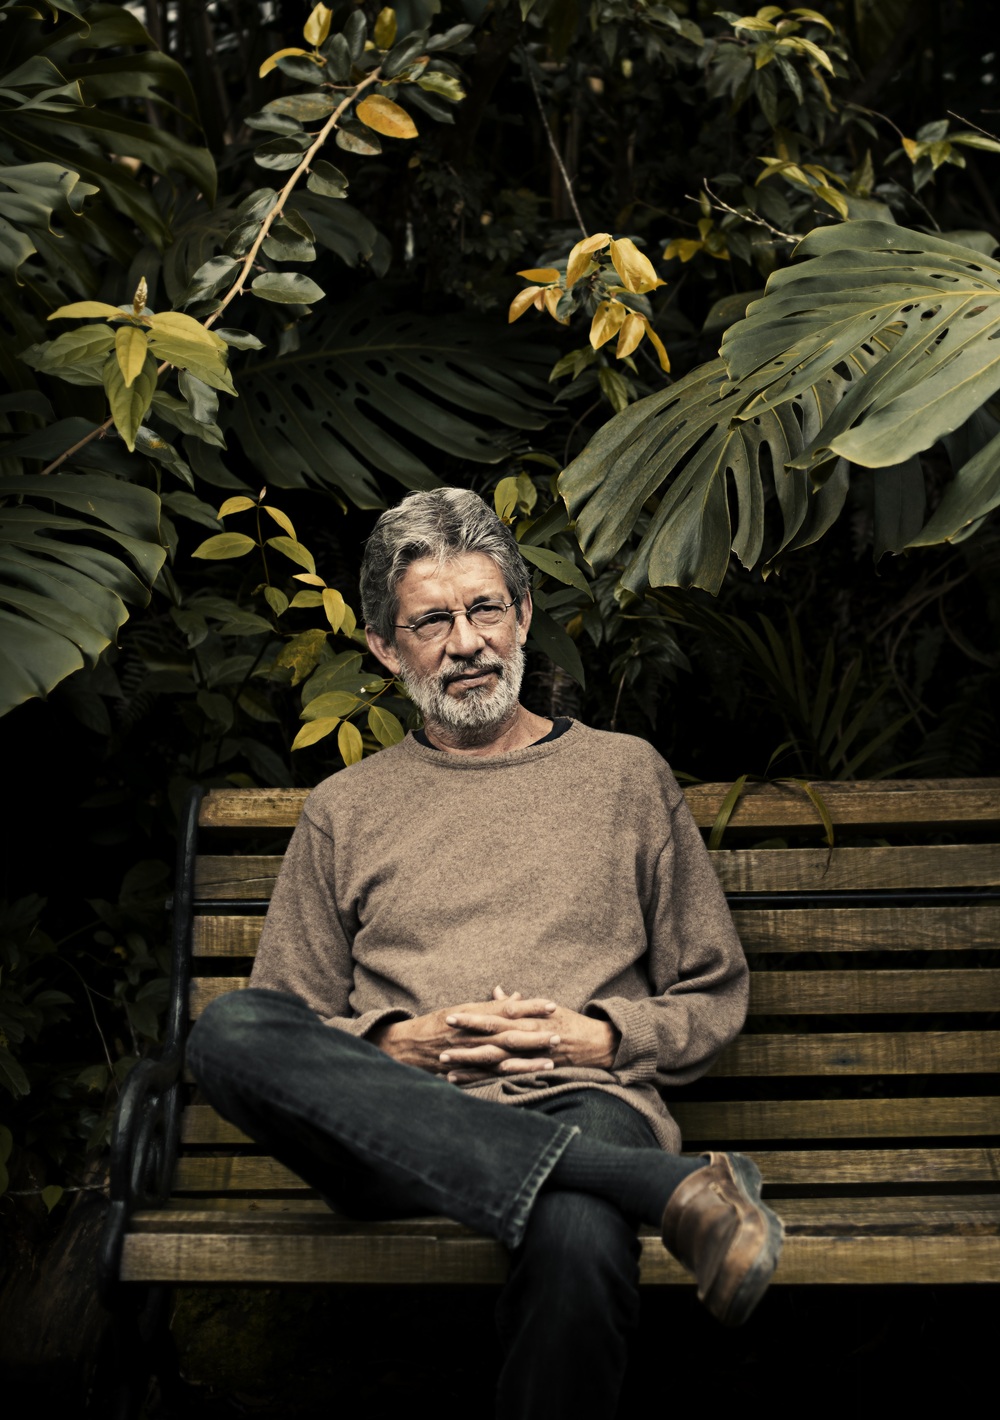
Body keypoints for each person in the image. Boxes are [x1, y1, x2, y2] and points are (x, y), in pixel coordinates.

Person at [187, 487, 783, 1418]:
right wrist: (400, 1044)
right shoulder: (344, 809)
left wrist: (598, 1037)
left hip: (586, 1100)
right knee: (227, 1032)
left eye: (485, 609)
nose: (466, 643)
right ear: (385, 648)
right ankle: (665, 1189)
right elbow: (286, 1025)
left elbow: (712, 991)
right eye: (432, 621)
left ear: (524, 616)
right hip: (393, 1122)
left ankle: (616, 1177)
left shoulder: (625, 776)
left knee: (579, 1235)